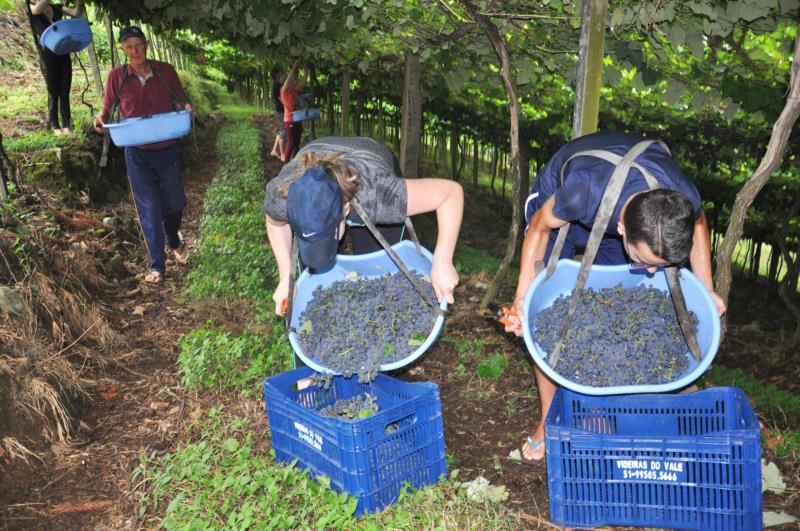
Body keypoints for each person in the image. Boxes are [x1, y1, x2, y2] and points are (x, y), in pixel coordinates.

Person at [504, 131, 727, 462]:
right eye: (647, 262)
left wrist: (707, 290)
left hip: (627, 212)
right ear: (623, 229)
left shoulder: (682, 198)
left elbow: (698, 224)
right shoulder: (581, 193)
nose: (651, 273)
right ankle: (548, 422)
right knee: (540, 314)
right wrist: (523, 296)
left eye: (660, 265)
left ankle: (601, 399)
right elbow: (539, 227)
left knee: (614, 300)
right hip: (562, 209)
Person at [263, 136, 463, 316]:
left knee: (379, 273)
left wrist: (443, 260)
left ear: (346, 210)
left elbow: (450, 193)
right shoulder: (282, 196)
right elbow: (276, 225)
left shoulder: (379, 196)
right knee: (313, 278)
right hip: (315, 150)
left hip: (372, 157)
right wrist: (285, 278)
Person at [93, 26, 195, 284]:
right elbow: (107, 108)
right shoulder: (117, 77)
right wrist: (101, 119)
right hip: (137, 153)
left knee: (174, 203)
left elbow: (181, 99)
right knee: (149, 208)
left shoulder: (165, 71)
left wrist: (188, 108)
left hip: (167, 148)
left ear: (146, 44)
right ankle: (157, 266)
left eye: (138, 44)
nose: (135, 50)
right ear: (123, 50)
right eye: (129, 46)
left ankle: (172, 237)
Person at [28, 0, 84, 136]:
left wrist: (80, 3)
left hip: (63, 51)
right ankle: (55, 126)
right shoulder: (30, 6)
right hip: (47, 54)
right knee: (53, 92)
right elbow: (36, 10)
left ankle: (66, 125)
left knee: (65, 90)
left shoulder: (56, 7)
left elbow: (76, 13)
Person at [280, 60, 304, 162]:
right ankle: (285, 164)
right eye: (291, 80)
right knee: (291, 143)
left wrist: (306, 70)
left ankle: (293, 162)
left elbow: (303, 80)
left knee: (297, 144)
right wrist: (294, 66)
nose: (293, 81)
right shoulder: (284, 91)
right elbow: (290, 78)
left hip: (298, 119)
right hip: (289, 121)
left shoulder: (293, 90)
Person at [269, 66, 286, 160]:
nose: (282, 74)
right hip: (280, 111)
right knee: (283, 132)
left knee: (281, 130)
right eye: (280, 73)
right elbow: (282, 100)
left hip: (279, 110)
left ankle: (274, 150)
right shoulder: (277, 85)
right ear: (276, 75)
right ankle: (283, 155)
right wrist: (288, 107)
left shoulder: (277, 84)